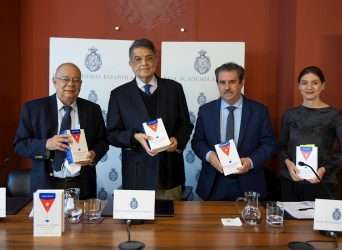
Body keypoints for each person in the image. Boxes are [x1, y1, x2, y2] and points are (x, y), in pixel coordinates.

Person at [107, 38, 193, 200]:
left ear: (156, 60)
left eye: (149, 58)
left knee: (171, 225)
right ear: (131, 64)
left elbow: (185, 124)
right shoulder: (119, 95)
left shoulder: (174, 89)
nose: (144, 63)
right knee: (139, 225)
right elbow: (111, 133)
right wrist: (134, 137)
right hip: (136, 176)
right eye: (138, 59)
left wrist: (177, 140)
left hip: (169, 175)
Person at [14, 63, 109, 199]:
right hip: (46, 185)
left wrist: (94, 154)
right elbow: (20, 145)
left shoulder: (92, 110)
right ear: (54, 81)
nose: (71, 84)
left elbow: (103, 141)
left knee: (82, 221)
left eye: (76, 80)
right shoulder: (33, 109)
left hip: (82, 185)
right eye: (65, 79)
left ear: (81, 84)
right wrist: (46, 144)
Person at [191, 62, 276, 201]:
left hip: (250, 183)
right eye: (222, 82)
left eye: (232, 82)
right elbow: (197, 142)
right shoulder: (206, 111)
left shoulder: (259, 111)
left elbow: (269, 144)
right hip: (213, 184)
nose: (227, 87)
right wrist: (211, 157)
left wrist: (250, 161)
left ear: (242, 82)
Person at [279, 66, 342, 201]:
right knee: (291, 222)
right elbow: (280, 146)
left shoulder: (335, 115)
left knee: (318, 222)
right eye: (304, 82)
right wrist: (288, 164)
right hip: (292, 181)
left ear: (323, 86)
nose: (309, 87)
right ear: (299, 86)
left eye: (315, 83)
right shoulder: (290, 115)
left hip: (323, 183)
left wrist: (324, 169)